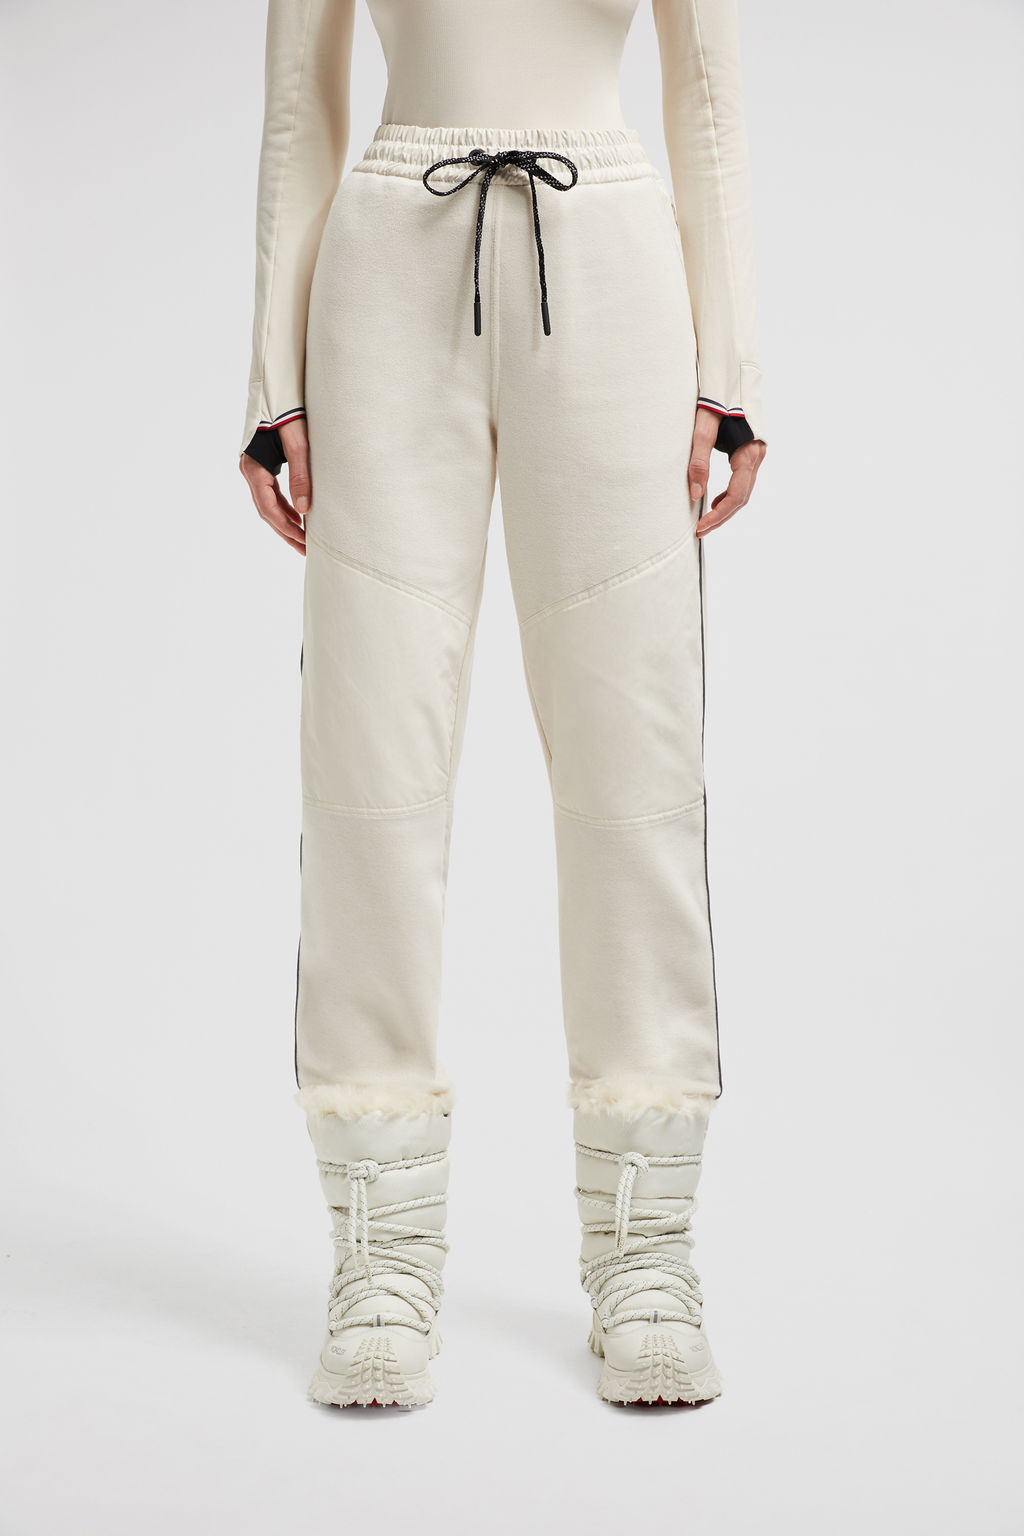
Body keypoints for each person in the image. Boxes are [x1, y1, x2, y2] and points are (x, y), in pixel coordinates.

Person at [238, 0, 767, 1410]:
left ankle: (645, 1256)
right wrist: (273, 377)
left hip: (611, 265)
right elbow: (299, 101)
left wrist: (728, 366)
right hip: (385, 267)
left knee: (633, 768)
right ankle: (381, 1258)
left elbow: (703, 88)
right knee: (370, 769)